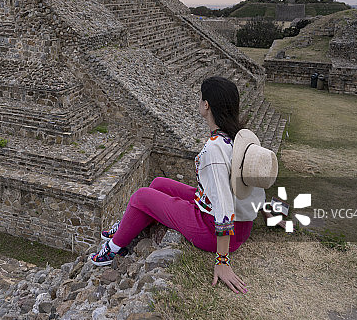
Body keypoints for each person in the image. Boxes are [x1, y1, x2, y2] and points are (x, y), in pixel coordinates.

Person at [89, 76, 276, 294]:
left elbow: (224, 206)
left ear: (206, 105)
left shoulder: (215, 149)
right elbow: (250, 181)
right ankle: (123, 227)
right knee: (159, 183)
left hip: (212, 231)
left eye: (201, 99)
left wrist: (222, 261)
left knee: (141, 196)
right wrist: (266, 210)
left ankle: (113, 249)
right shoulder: (240, 139)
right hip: (242, 226)